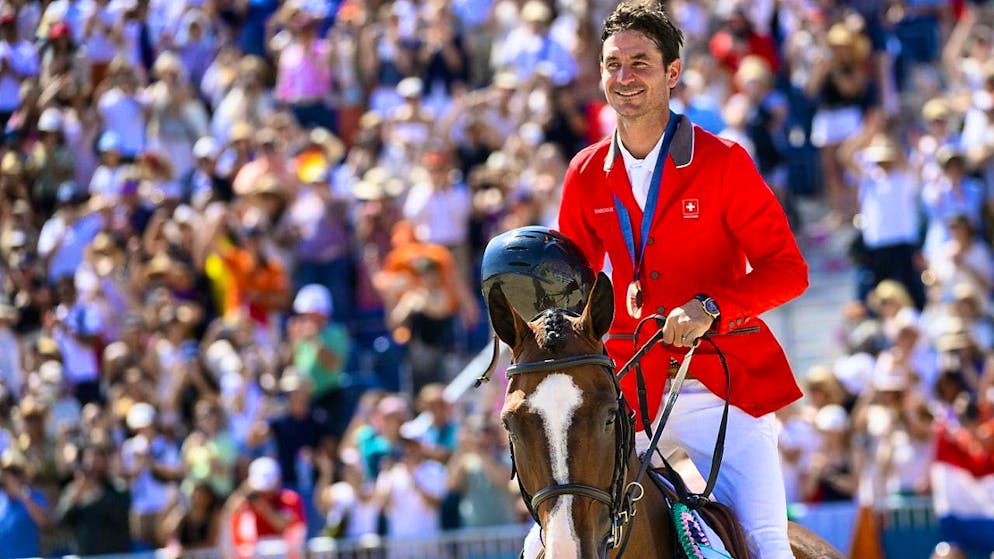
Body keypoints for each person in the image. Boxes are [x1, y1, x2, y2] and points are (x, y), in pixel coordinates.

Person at [555, 3, 808, 558]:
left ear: (672, 73)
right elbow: (569, 288)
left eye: (640, 63)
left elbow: (789, 271)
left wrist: (712, 307)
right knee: (552, 539)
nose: (624, 78)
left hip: (720, 381)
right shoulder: (583, 173)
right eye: (613, 64)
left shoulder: (724, 163)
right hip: (626, 392)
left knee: (768, 544)